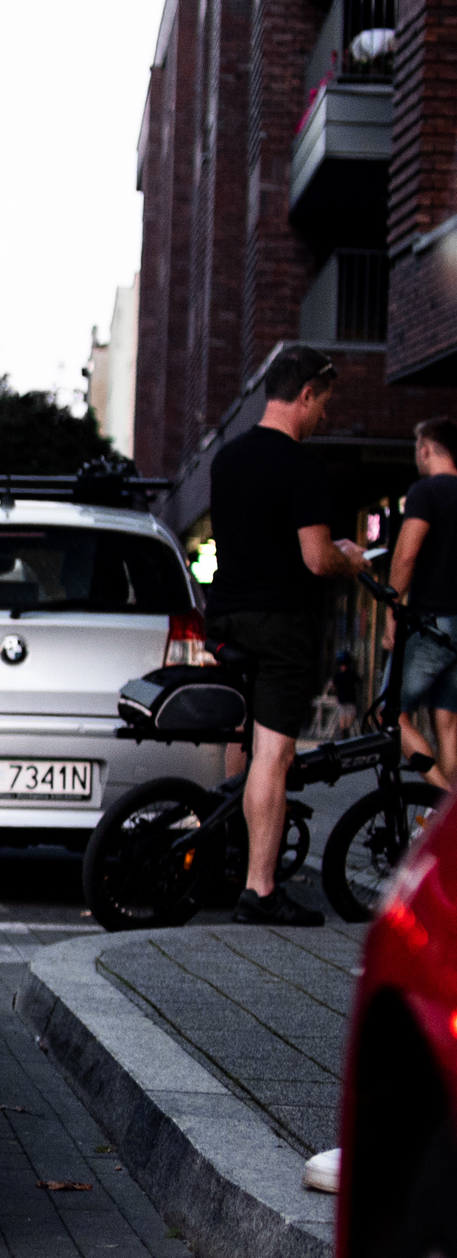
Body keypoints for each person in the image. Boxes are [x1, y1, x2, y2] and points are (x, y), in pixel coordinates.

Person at [203, 345, 367, 925]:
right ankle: (261, 887)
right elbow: (317, 559)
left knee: (244, 741)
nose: (324, 413)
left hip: (224, 616)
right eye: (323, 402)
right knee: (274, 756)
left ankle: (231, 853)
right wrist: (354, 558)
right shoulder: (302, 465)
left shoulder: (226, 460)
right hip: (279, 626)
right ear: (305, 395)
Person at [388, 415, 457, 791]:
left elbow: (406, 556)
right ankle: (443, 824)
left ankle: (445, 802)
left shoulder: (425, 493)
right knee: (447, 722)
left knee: (391, 715)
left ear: (426, 448)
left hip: (432, 621)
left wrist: (391, 610)